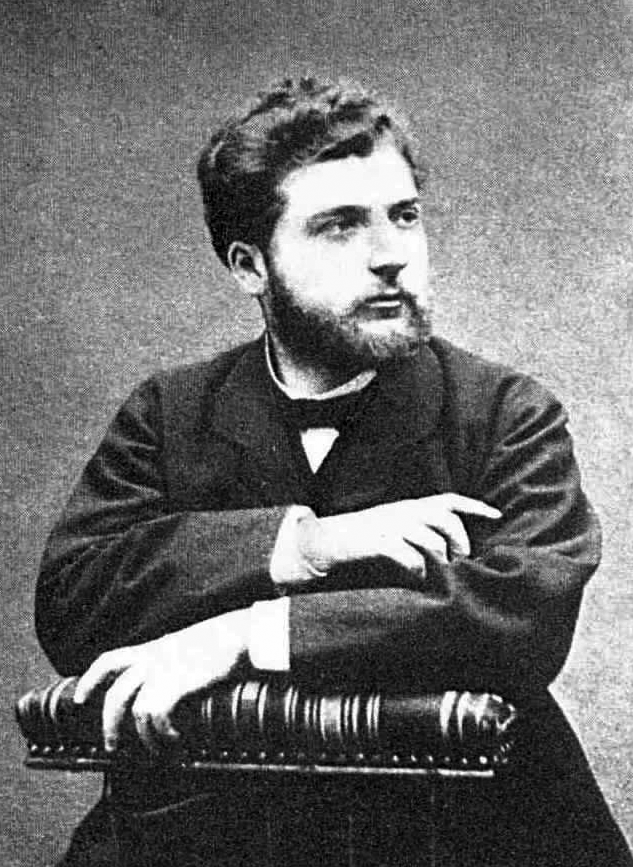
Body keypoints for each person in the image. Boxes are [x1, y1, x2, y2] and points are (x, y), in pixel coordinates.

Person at [36, 78, 631, 865]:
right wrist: (305, 545)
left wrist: (248, 632)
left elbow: (520, 615)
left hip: (460, 829)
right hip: (204, 828)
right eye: (339, 225)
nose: (390, 255)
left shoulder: (504, 412)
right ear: (250, 265)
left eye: (404, 216)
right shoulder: (168, 413)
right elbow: (74, 599)